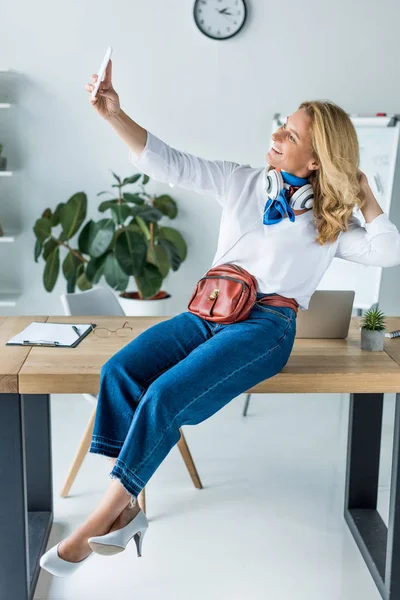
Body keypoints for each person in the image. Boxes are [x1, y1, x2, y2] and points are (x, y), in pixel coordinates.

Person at [40, 59, 400, 577]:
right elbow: (169, 162)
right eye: (282, 125)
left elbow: (388, 250)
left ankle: (99, 518)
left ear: (318, 160)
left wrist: (363, 196)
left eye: (291, 132)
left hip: (265, 329)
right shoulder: (241, 181)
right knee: (118, 372)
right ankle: (126, 509)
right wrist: (114, 115)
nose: (276, 134)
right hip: (207, 311)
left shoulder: (330, 224)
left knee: (166, 395)